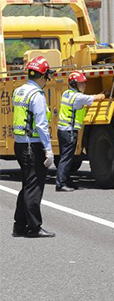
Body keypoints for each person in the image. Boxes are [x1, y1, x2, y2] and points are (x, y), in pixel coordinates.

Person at [12, 56, 56, 238]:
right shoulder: (36, 95)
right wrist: (48, 149)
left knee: (27, 185)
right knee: (34, 186)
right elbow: (41, 125)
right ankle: (34, 227)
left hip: (20, 144)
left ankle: (20, 225)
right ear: (43, 75)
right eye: (47, 77)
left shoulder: (19, 91)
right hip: (33, 145)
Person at [56, 71, 105, 191]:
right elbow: (97, 98)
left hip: (63, 130)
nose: (84, 85)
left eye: (84, 83)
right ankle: (60, 184)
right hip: (69, 131)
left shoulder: (66, 94)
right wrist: (105, 94)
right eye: (81, 83)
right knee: (66, 158)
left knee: (66, 157)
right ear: (74, 84)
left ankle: (66, 180)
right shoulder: (77, 97)